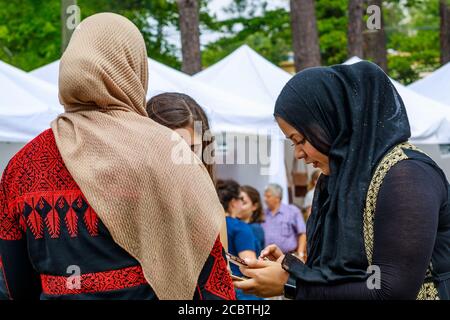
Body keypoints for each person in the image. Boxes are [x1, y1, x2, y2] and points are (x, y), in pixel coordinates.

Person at [0, 13, 235, 300]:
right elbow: (209, 279)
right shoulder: (167, 153)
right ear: (133, 69)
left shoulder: (22, 166)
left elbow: (12, 282)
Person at [234, 61, 450, 300]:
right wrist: (293, 268)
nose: (298, 153)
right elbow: (348, 273)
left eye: (300, 139)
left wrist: (293, 284)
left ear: (331, 123)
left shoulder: (407, 175)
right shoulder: (337, 181)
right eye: (291, 143)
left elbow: (390, 292)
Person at [146, 92, 228, 251]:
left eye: (192, 148)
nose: (183, 160)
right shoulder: (126, 208)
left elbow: (223, 273)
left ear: (204, 146)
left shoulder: (212, 210)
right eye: (170, 149)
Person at [216, 179, 261, 300]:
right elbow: (248, 264)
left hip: (217, 288)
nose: (242, 204)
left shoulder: (212, 224)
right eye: (241, 199)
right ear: (233, 202)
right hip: (242, 290)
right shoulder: (240, 228)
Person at [262, 183, 306, 261]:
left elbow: (302, 233)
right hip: (268, 258)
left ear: (277, 198)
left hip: (288, 257)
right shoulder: (263, 214)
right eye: (264, 196)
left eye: (268, 196)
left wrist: (300, 254)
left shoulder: (292, 211)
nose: (265, 199)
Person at [238, 185, 265, 256]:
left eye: (244, 203)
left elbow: (256, 257)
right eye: (237, 202)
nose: (239, 206)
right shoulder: (234, 225)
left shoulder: (255, 228)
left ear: (254, 206)